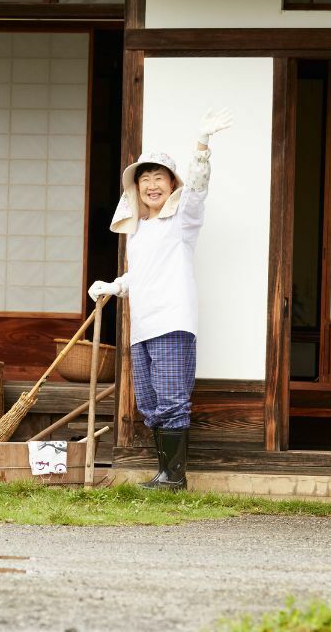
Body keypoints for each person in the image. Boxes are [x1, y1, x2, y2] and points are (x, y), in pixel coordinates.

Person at [88, 108, 232, 491]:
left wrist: (202, 144)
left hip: (172, 321)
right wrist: (114, 286)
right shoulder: (139, 230)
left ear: (171, 184)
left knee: (171, 398)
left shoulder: (182, 220)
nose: (151, 185)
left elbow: (198, 188)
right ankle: (165, 474)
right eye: (144, 179)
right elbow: (142, 274)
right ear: (135, 189)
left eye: (159, 178)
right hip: (144, 324)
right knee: (150, 402)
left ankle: (175, 477)